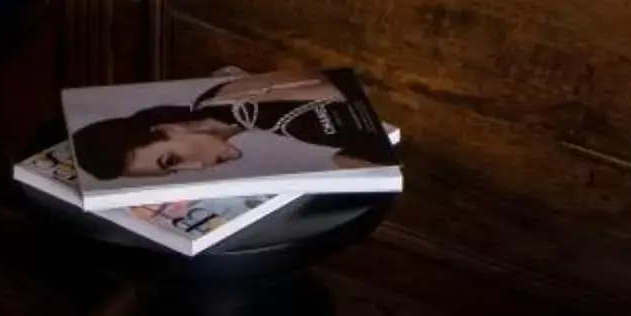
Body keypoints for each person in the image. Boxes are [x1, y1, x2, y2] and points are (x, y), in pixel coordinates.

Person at [71, 68, 391, 183]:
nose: (196, 167)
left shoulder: (232, 100)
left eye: (172, 161)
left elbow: (339, 90)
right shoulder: (244, 137)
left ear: (169, 129)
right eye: (172, 171)